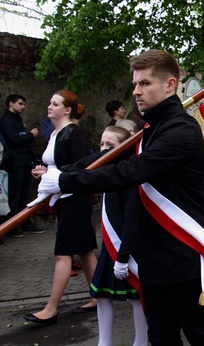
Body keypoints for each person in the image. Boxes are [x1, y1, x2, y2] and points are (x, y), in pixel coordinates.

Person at [33, 49, 204, 345]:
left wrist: (65, 181)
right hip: (152, 255)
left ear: (170, 85)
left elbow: (129, 172)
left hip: (181, 255)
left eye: (145, 84)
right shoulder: (153, 126)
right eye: (135, 84)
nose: (137, 92)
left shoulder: (181, 129)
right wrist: (60, 174)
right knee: (161, 336)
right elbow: (108, 158)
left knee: (201, 335)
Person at [23, 90, 98, 325]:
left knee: (62, 253)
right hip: (64, 197)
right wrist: (42, 174)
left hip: (75, 198)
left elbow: (78, 168)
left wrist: (49, 174)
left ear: (68, 110)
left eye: (55, 104)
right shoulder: (56, 133)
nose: (49, 106)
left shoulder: (73, 132)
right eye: (49, 102)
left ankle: (51, 308)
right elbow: (58, 167)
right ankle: (99, 297)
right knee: (85, 250)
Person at [90, 125, 147, 346]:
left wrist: (123, 257)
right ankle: (104, 342)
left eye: (110, 146)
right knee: (102, 295)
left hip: (128, 249)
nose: (104, 150)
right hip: (109, 247)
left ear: (123, 149)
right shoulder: (107, 175)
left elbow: (131, 221)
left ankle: (140, 341)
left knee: (136, 296)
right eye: (101, 144)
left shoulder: (129, 179)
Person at [0, 94, 43, 238]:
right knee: (14, 195)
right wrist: (30, 136)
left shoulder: (17, 119)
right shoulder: (6, 121)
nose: (23, 107)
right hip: (14, 163)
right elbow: (15, 139)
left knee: (24, 195)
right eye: (20, 104)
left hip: (24, 162)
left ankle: (24, 223)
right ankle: (12, 226)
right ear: (11, 104)